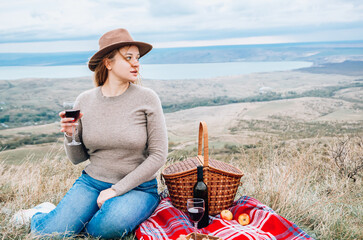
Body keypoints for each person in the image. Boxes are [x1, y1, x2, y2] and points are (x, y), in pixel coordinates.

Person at [27, 28, 168, 238]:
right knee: (50, 233)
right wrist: (70, 135)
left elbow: (158, 155)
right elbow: (78, 158)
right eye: (128, 58)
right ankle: (40, 213)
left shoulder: (147, 98)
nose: (136, 63)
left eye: (137, 58)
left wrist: (115, 191)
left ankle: (88, 216)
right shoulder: (84, 100)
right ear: (108, 63)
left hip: (137, 188)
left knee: (102, 231)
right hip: (92, 182)